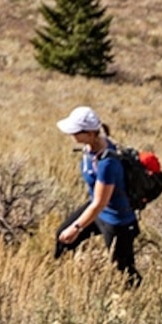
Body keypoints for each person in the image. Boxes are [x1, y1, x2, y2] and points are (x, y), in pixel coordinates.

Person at [53, 104, 138, 281]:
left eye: (76, 132)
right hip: (97, 212)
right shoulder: (92, 146)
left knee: (124, 270)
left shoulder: (108, 163)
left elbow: (100, 202)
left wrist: (76, 228)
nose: (72, 135)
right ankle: (59, 279)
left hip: (117, 221)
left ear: (90, 133)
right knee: (62, 238)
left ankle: (136, 295)